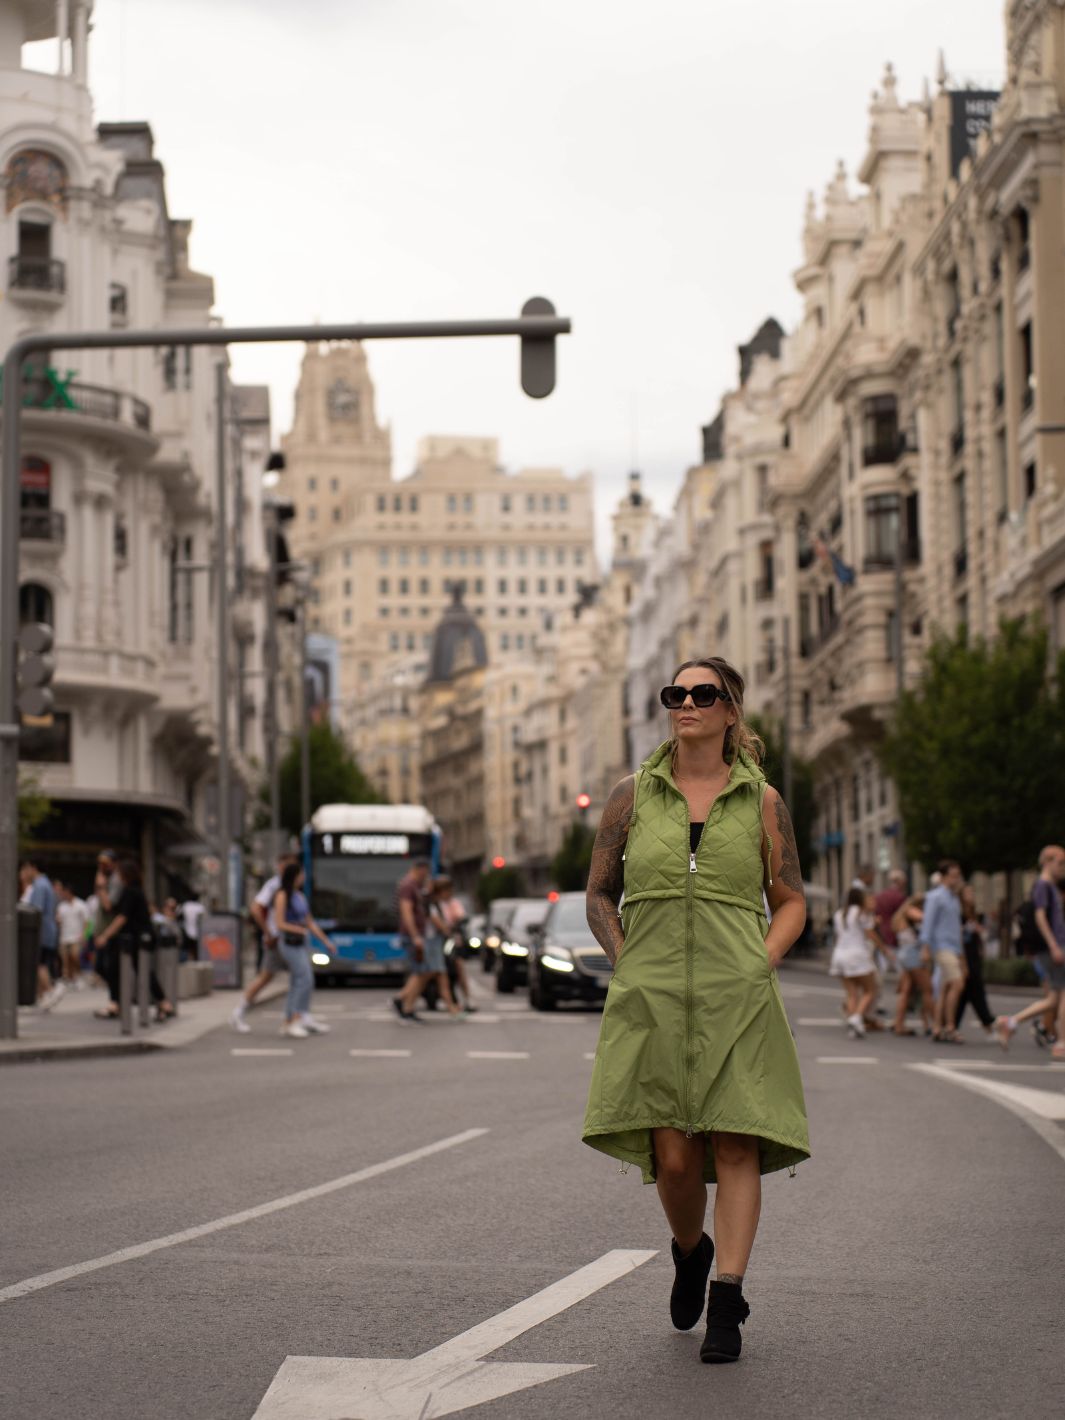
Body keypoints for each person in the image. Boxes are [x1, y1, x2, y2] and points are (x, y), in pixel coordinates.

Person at [582, 656, 809, 1365]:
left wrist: (759, 959)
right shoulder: (631, 797)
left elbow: (792, 899)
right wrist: (625, 963)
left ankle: (727, 1301)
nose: (686, 703)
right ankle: (690, 1249)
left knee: (736, 1142)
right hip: (650, 998)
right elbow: (597, 893)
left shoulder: (763, 802)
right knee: (675, 1158)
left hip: (735, 997)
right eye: (675, 693)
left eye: (702, 694)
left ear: (730, 710)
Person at [994, 845, 1065, 1060]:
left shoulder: (1048, 886)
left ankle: (1010, 1022)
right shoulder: (1043, 886)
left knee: (1054, 998)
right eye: (1060, 863)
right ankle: (1062, 1043)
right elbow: (1041, 917)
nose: (1063, 868)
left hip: (1052, 947)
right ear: (1047, 862)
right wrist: (1054, 945)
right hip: (1053, 948)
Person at [93, 858, 175, 1022]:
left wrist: (105, 936)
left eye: (119, 873)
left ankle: (163, 1003)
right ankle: (119, 1003)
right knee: (114, 968)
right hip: (129, 939)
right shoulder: (130, 891)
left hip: (137, 939)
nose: (116, 876)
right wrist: (101, 887)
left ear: (126, 874)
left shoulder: (132, 891)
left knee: (141, 971)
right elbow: (110, 908)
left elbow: (121, 917)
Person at [231, 853, 296, 1034]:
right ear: (281, 866)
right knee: (271, 977)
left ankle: (294, 1017)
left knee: (294, 976)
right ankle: (240, 1012)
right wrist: (268, 932)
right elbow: (255, 908)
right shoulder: (275, 885)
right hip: (277, 940)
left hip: (284, 939)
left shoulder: (287, 886)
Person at [273, 861, 335, 1038]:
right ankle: (294, 1018)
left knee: (300, 980)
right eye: (301, 874)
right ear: (294, 876)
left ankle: (299, 1016)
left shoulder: (299, 896)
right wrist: (298, 929)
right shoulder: (282, 895)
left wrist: (325, 941)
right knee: (304, 978)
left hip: (301, 943)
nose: (304, 877)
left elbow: (310, 922)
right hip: (289, 942)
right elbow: (279, 923)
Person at [920, 860, 966, 1043]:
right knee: (958, 984)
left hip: (953, 948)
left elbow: (956, 927)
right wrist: (925, 947)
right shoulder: (935, 897)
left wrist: (961, 954)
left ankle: (938, 1027)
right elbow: (928, 923)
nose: (957, 879)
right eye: (954, 876)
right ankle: (950, 1026)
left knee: (944, 988)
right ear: (944, 876)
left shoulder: (954, 898)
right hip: (942, 947)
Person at [829, 887, 880, 1038]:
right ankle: (857, 1016)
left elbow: (838, 936)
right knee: (870, 990)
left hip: (840, 955)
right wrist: (884, 950)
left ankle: (853, 1023)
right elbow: (870, 934)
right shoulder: (861, 912)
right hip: (857, 955)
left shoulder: (839, 913)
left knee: (851, 993)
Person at [426, 875, 478, 1013]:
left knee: (458, 965)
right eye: (445, 890)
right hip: (438, 941)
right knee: (437, 971)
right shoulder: (435, 904)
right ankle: (444, 999)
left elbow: (460, 917)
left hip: (451, 941)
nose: (448, 893)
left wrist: (455, 927)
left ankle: (466, 998)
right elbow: (435, 920)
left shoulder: (454, 903)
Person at [391, 858, 432, 1022]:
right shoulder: (408, 886)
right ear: (420, 869)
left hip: (415, 935)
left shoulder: (414, 886)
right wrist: (415, 936)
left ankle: (404, 1001)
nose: (426, 876)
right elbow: (406, 912)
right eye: (426, 872)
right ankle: (405, 1005)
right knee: (420, 971)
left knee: (422, 971)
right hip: (412, 935)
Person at [22, 858, 62, 1009]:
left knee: (39, 963)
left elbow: (35, 910)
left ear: (33, 867)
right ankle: (40, 997)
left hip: (41, 931)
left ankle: (51, 990)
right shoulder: (47, 884)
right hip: (49, 930)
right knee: (42, 962)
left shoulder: (39, 885)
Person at [955, 885, 995, 1038]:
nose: (971, 895)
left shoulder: (977, 914)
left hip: (974, 953)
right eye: (968, 893)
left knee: (966, 992)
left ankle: (952, 1024)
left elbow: (982, 935)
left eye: (973, 892)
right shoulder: (959, 914)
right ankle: (987, 1022)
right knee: (975, 988)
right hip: (964, 954)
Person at [891, 894, 933, 1036]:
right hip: (912, 953)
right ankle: (937, 1023)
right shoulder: (909, 910)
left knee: (906, 991)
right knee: (927, 989)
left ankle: (899, 1024)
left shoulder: (900, 914)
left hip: (904, 953)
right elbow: (925, 919)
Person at [55, 881, 89, 989]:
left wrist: (84, 935)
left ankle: (78, 976)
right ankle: (68, 979)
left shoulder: (80, 904)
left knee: (75, 956)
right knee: (65, 960)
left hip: (76, 937)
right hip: (64, 937)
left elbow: (87, 922)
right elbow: (58, 919)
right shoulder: (61, 906)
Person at [180, 893, 205, 960]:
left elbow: (179, 913)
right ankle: (194, 959)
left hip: (186, 929)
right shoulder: (199, 907)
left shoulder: (186, 905)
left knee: (187, 948)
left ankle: (188, 959)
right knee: (195, 948)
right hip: (196, 929)